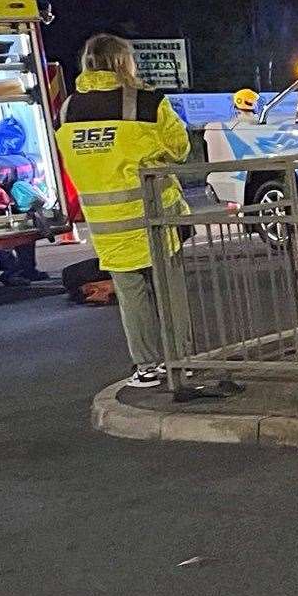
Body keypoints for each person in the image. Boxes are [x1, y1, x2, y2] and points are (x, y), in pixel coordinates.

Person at [55, 33, 191, 388]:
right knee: (169, 293)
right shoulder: (148, 103)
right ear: (123, 62)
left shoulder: (69, 109)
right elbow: (179, 149)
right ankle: (183, 362)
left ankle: (147, 367)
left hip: (107, 225)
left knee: (132, 297)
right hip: (156, 218)